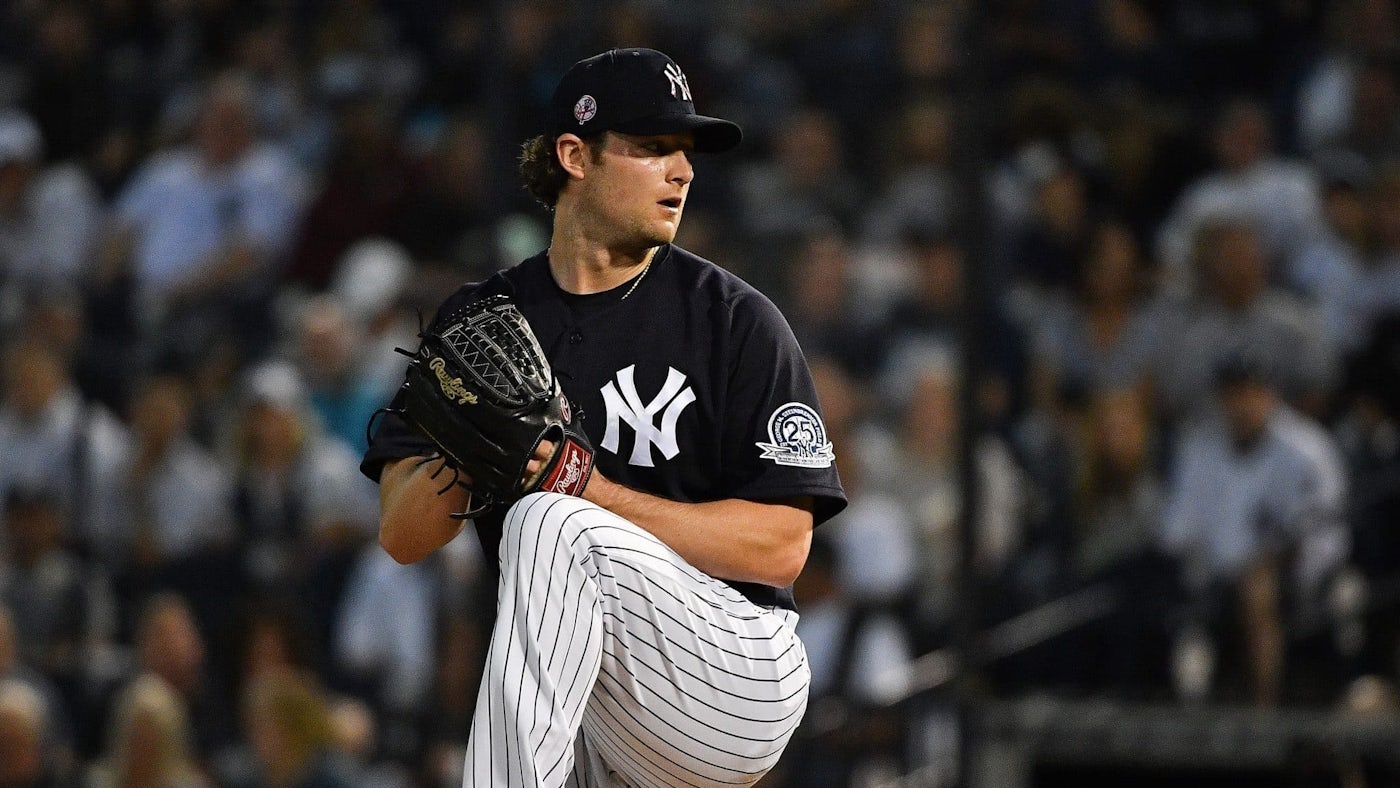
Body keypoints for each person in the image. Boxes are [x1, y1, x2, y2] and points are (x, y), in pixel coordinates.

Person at [363, 48, 846, 787]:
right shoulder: (483, 322)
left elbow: (782, 547)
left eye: (685, 152)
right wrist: (473, 445)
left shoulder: (735, 320)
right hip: (597, 701)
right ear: (573, 155)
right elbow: (402, 534)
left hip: (735, 669)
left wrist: (579, 484)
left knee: (546, 522)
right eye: (654, 148)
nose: (682, 171)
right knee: (547, 561)